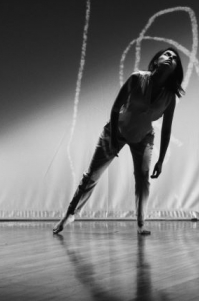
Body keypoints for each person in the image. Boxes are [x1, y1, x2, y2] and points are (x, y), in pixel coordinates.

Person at [53, 48, 184, 236]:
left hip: (143, 137)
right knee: (91, 176)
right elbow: (115, 109)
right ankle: (69, 214)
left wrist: (161, 159)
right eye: (167, 55)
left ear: (175, 70)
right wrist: (114, 137)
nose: (170, 58)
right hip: (116, 130)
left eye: (174, 59)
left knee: (142, 179)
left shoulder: (169, 97)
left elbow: (166, 129)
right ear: (156, 61)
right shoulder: (137, 78)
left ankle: (140, 223)